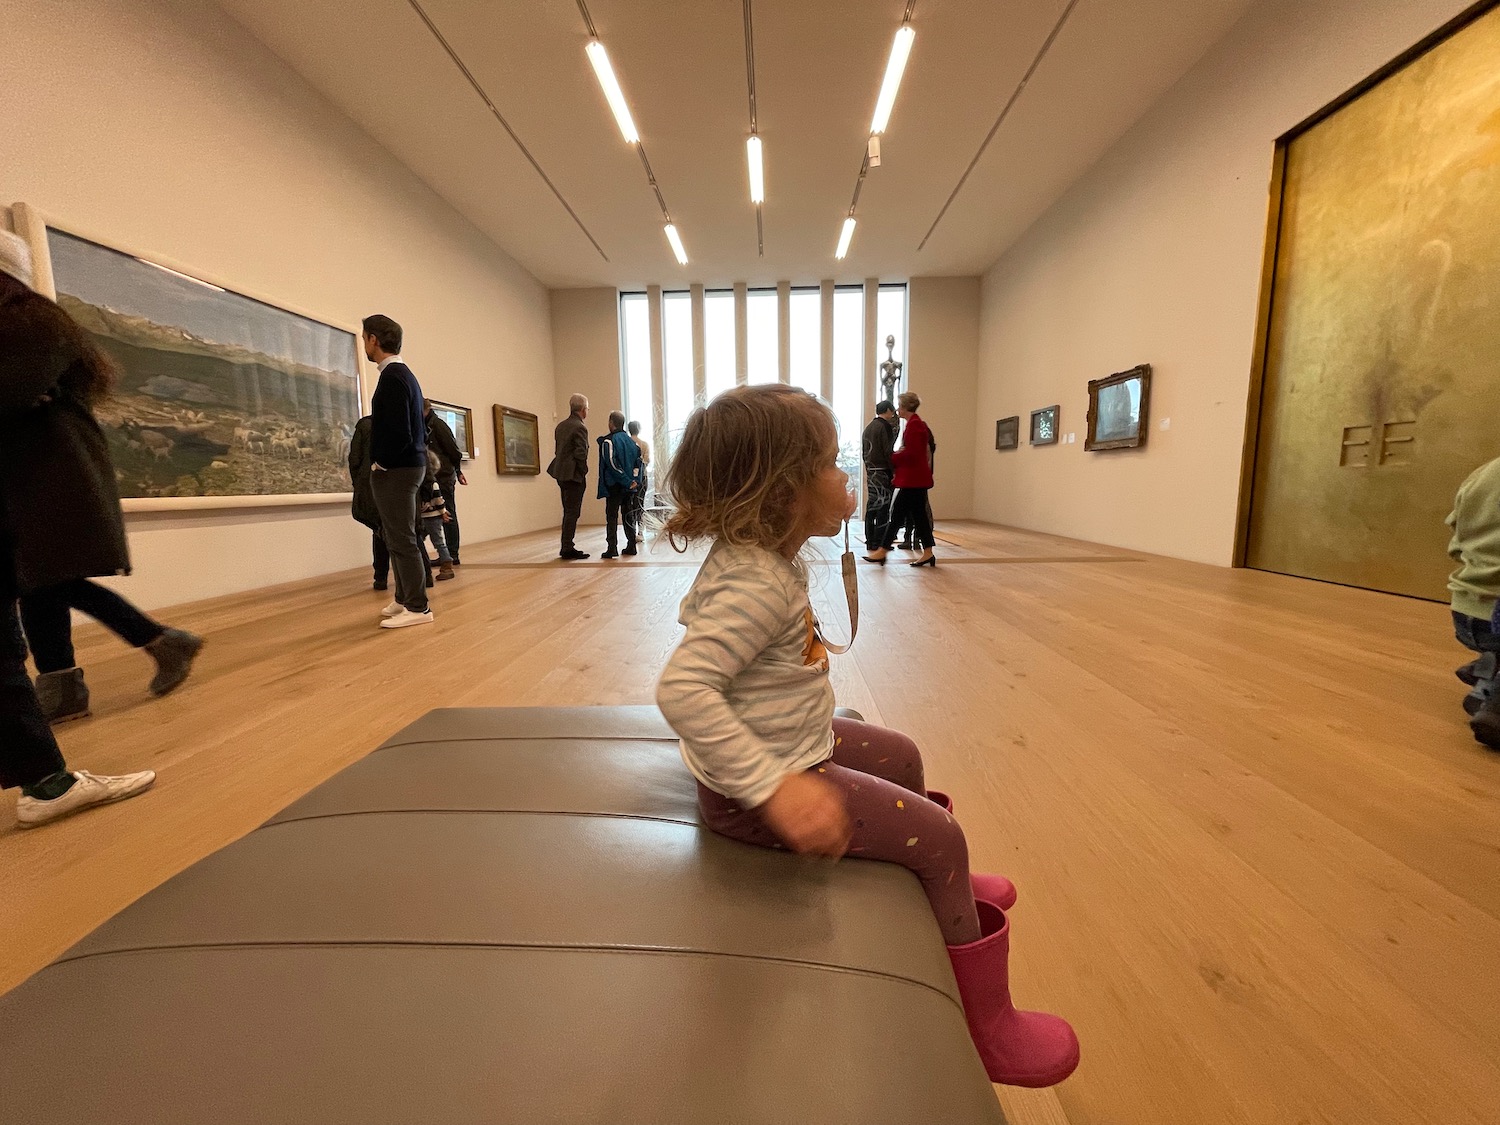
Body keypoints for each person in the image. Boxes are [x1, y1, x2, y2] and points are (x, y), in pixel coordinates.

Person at [654, 383, 1078, 1087]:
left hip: (793, 741)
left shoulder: (765, 559)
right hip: (756, 790)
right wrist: (775, 790)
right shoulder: (753, 583)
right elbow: (681, 688)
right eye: (827, 462)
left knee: (904, 753)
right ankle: (987, 1024)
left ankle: (940, 879)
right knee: (941, 834)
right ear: (783, 493)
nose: (844, 474)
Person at [0, 228, 156, 826]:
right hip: (28, 507)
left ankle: (47, 763)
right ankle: (46, 777)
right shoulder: (34, 324)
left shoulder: (29, 327)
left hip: (27, 509)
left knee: (36, 604)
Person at [362, 314, 432, 629]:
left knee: (401, 537)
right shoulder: (402, 375)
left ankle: (418, 607)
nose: (364, 344)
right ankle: (404, 598)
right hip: (407, 467)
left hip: (398, 469)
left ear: (373, 339)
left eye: (365, 338)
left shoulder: (393, 376)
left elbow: (399, 432)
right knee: (395, 535)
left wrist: (380, 463)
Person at [1446, 454, 1500, 749]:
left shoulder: (1483, 473)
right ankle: (1495, 709)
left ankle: (1487, 671)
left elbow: (1458, 540)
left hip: (1466, 612)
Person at [866, 391, 937, 567]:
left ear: (905, 407)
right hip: (916, 479)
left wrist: (895, 457)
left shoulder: (914, 426)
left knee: (897, 514)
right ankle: (927, 552)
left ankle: (882, 551)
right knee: (918, 516)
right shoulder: (915, 424)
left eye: (899, 406)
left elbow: (912, 453)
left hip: (913, 480)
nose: (898, 409)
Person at [347, 414, 389, 591]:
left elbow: (354, 459)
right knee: (406, 532)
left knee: (379, 531)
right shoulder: (399, 423)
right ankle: (422, 577)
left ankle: (380, 578)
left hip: (371, 484)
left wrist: (359, 483)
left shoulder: (365, 426)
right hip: (396, 485)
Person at [423, 400, 466, 565]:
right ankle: (446, 554)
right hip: (433, 476)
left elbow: (454, 451)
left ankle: (452, 554)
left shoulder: (438, 425)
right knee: (434, 515)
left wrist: (458, 471)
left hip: (443, 476)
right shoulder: (425, 425)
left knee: (447, 513)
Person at [548, 394, 590, 560]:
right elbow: (581, 453)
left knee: (568, 510)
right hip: (573, 474)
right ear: (582, 409)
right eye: (587, 408)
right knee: (573, 511)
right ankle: (567, 547)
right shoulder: (580, 427)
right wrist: (583, 470)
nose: (587, 411)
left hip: (561, 473)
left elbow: (559, 450)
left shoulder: (561, 426)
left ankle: (566, 545)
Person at [596, 411, 642, 559]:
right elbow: (638, 464)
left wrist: (626, 481)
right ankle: (631, 545)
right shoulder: (633, 443)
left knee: (612, 516)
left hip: (614, 485)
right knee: (628, 515)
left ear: (611, 422)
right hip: (629, 487)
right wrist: (634, 481)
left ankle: (612, 547)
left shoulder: (608, 442)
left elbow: (611, 464)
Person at [860, 400, 897, 554]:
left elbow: (865, 452)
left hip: (871, 471)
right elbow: (888, 451)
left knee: (872, 506)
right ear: (888, 410)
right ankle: (880, 541)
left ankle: (870, 541)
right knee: (883, 506)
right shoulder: (885, 427)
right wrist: (894, 470)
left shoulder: (868, 428)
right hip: (883, 471)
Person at [419, 450, 455, 581]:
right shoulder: (424, 484)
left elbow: (439, 499)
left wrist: (442, 512)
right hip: (424, 517)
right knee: (420, 540)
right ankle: (422, 564)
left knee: (438, 541)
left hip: (432, 517)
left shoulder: (432, 484)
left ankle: (447, 564)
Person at [627, 419, 651, 530]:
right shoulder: (644, 444)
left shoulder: (626, 443)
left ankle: (631, 530)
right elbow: (647, 460)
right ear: (639, 429)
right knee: (640, 504)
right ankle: (641, 531)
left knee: (629, 505)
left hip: (629, 478)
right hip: (642, 477)